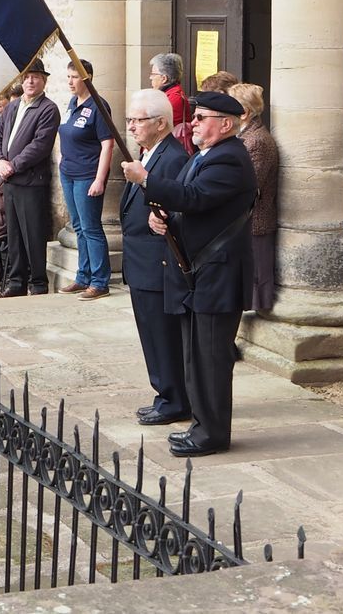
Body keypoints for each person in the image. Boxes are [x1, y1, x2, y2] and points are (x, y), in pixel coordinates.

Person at [121, 91, 256, 457]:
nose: (193, 123)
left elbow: (195, 197)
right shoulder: (209, 155)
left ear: (225, 124)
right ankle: (201, 424)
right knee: (196, 356)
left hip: (218, 274)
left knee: (211, 359)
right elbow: (188, 203)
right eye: (194, 117)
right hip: (201, 274)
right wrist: (162, 217)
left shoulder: (229, 159)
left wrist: (146, 179)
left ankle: (211, 433)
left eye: (201, 117)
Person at [120, 89, 190, 426]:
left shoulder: (173, 158)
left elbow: (180, 205)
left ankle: (173, 399)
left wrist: (164, 220)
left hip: (157, 263)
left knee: (163, 335)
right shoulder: (149, 154)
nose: (131, 127)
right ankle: (164, 393)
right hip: (141, 261)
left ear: (161, 123)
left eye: (138, 120)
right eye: (129, 120)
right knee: (151, 333)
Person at [0, 59, 59, 297]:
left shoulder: (48, 109)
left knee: (33, 234)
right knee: (14, 233)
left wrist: (14, 165)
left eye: (36, 76)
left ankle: (38, 283)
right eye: (27, 76)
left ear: (44, 81)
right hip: (9, 180)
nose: (31, 80)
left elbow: (40, 145)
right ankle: (16, 282)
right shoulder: (12, 106)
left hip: (30, 181)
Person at [56, 59, 114, 301]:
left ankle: (100, 281)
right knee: (78, 226)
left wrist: (100, 179)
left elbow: (107, 144)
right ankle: (83, 276)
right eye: (68, 76)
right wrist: (61, 158)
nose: (70, 81)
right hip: (68, 171)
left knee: (91, 227)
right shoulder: (72, 102)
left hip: (87, 174)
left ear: (87, 77)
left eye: (75, 77)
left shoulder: (99, 105)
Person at [229, 82, 278, 312]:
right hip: (245, 220)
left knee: (258, 274)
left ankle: (259, 310)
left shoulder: (257, 140)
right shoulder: (243, 136)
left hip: (256, 219)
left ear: (245, 112)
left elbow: (250, 184)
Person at [148, 53, 189, 128]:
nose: (150, 77)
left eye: (153, 74)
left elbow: (157, 127)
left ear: (164, 78)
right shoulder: (166, 94)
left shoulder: (174, 98)